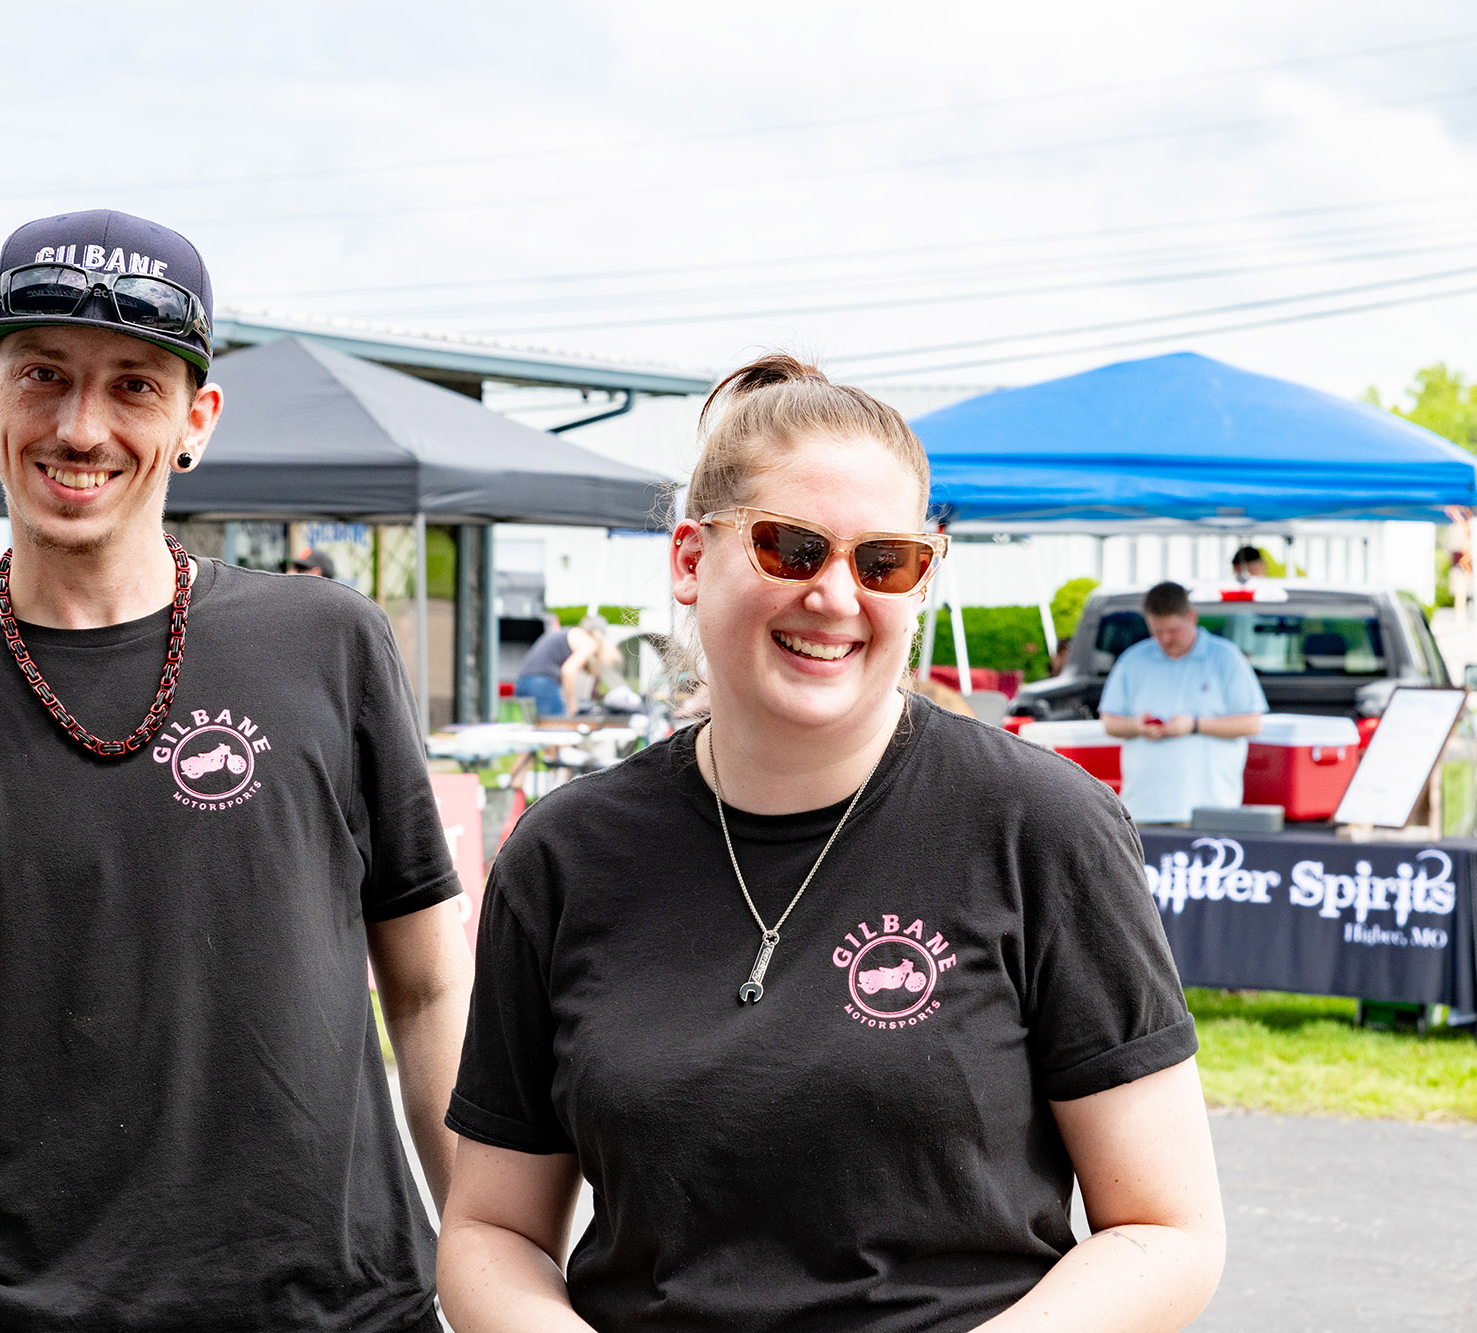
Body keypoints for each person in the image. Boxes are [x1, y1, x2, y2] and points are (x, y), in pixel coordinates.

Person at [0, 209, 473, 1333]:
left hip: (349, 1313)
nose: (81, 428)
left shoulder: (329, 642)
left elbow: (427, 992)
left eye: (134, 385)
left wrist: (486, 1270)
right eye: (44, 374)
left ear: (196, 419)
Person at [438, 354, 1222, 1333]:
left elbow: (1164, 1227)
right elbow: (489, 1230)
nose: (837, 596)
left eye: (883, 561)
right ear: (688, 559)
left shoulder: (1040, 827)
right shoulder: (565, 854)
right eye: (791, 548)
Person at [1099, 581, 1267, 825]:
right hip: (1143, 808)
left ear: (1192, 617)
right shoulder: (1132, 660)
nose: (1165, 639)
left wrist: (1194, 725)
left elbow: (1252, 724)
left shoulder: (1226, 658)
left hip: (1210, 807)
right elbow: (1110, 722)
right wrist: (1137, 726)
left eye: (1173, 630)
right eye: (1157, 631)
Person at [514, 616, 618, 718]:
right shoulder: (589, 641)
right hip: (542, 684)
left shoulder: (572, 633)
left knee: (535, 727)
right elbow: (568, 670)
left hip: (523, 682)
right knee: (557, 728)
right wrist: (571, 704)